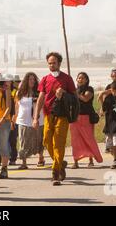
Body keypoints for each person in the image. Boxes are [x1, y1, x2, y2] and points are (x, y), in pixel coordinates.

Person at [32, 52, 76, 186]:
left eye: (54, 63)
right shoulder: (45, 79)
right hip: (48, 115)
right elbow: (40, 98)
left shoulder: (67, 78)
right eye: (49, 63)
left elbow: (75, 98)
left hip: (62, 115)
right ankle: (60, 162)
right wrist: (35, 117)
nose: (51, 65)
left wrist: (64, 93)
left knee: (58, 144)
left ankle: (55, 172)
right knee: (46, 141)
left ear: (59, 63)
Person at [70, 72, 103, 168]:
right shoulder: (74, 90)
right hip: (74, 117)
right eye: (78, 78)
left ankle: (91, 159)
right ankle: (75, 161)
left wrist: (76, 94)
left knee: (88, 138)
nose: (80, 80)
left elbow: (85, 99)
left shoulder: (89, 89)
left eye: (82, 78)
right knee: (75, 140)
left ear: (86, 80)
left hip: (86, 117)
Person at [13, 72, 45, 170]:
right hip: (23, 120)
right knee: (23, 141)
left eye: (33, 79)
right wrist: (14, 118)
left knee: (39, 139)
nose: (32, 81)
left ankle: (41, 157)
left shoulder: (39, 93)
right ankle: (24, 162)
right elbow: (17, 106)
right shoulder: (20, 93)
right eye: (30, 79)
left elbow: (43, 105)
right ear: (26, 81)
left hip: (38, 119)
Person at [101, 80, 116, 168]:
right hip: (109, 124)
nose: (113, 92)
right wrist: (102, 96)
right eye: (112, 90)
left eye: (115, 90)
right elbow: (103, 109)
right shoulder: (108, 97)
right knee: (111, 146)